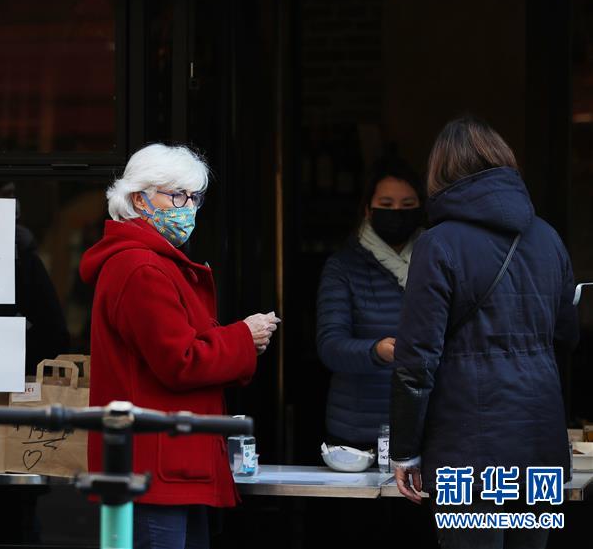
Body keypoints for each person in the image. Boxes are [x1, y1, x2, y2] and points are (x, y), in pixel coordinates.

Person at [79, 143, 281, 549]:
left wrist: (239, 339)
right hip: (157, 468)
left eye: (193, 197)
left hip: (166, 464)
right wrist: (243, 335)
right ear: (138, 198)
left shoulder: (150, 262)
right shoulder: (141, 268)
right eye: (176, 195)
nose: (187, 207)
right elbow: (181, 360)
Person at [390, 117, 578, 549]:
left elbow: (416, 361)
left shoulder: (437, 245)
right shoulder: (548, 239)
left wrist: (405, 450)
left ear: (441, 174)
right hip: (539, 448)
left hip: (466, 454)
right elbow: (567, 337)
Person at [317, 155, 424, 449]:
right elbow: (330, 345)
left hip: (427, 426)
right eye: (386, 205)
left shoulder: (437, 262)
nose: (397, 213)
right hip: (358, 430)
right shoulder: (344, 267)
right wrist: (376, 351)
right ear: (368, 209)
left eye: (407, 206)